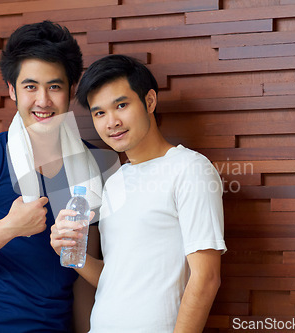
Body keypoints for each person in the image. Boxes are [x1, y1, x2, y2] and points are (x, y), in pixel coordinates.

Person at [0, 21, 116, 332]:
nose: (43, 100)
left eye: (54, 86)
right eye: (31, 87)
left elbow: (84, 277)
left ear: (71, 90)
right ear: (12, 90)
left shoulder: (95, 165)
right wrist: (10, 227)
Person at [50, 54, 226, 332]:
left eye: (121, 105)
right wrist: (73, 257)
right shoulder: (116, 181)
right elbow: (116, 278)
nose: (111, 122)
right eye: (99, 113)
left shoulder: (189, 168)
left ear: (150, 101)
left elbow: (206, 278)